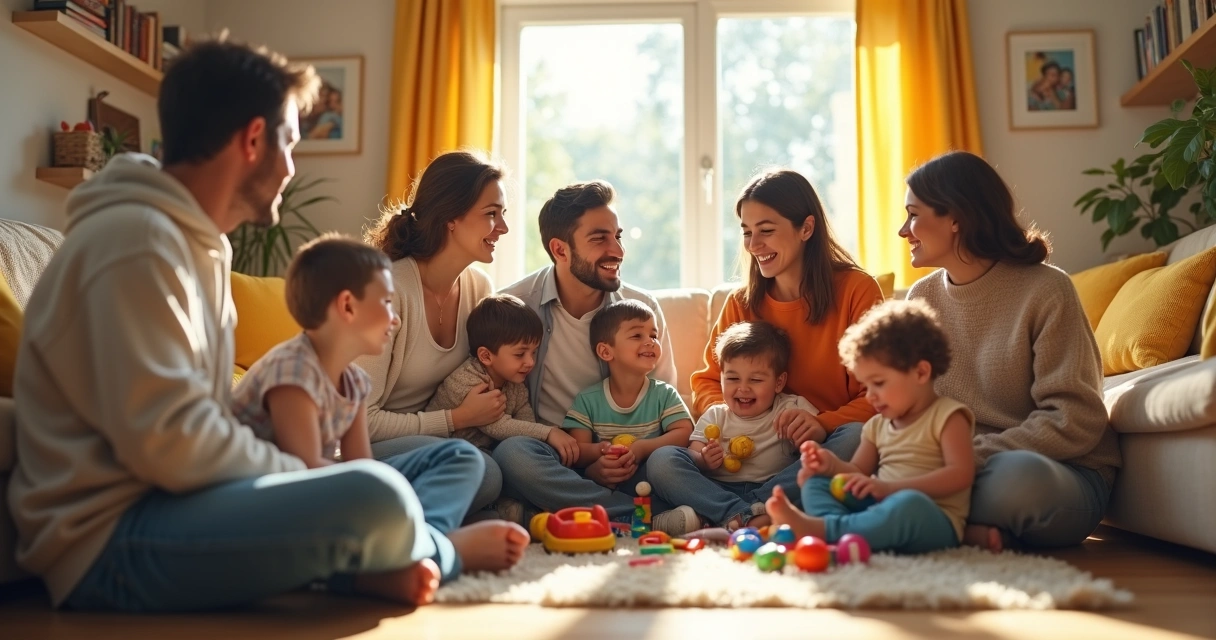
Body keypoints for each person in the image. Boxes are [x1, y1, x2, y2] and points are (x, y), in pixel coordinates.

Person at [8, 37, 525, 613]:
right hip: (111, 540)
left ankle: (379, 557)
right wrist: (308, 475)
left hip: (178, 503)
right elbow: (169, 446)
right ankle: (438, 551)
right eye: (290, 144)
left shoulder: (198, 245)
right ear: (254, 139)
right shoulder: (135, 244)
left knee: (441, 463)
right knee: (372, 494)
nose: (291, 168)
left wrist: (306, 475)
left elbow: (193, 428)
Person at [901, 150, 1120, 551]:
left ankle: (923, 519)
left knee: (1013, 480)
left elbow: (1077, 418)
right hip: (954, 469)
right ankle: (959, 529)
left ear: (956, 219)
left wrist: (968, 457)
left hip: (1055, 471)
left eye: (913, 215)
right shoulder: (921, 298)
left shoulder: (1046, 289)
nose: (904, 230)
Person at [689, 169, 884, 508]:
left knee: (854, 438)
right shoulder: (741, 303)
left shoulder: (857, 291)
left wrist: (822, 424)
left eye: (765, 231)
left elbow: (882, 392)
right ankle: (753, 509)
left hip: (822, 445)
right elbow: (707, 381)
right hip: (744, 455)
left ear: (806, 228)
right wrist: (738, 424)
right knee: (665, 460)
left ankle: (742, 509)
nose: (753, 245)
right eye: (747, 233)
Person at [493, 181, 683, 525]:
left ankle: (558, 510)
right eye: (599, 239)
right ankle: (645, 516)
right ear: (560, 249)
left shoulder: (642, 310)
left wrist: (622, 457)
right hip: (555, 457)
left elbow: (665, 400)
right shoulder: (515, 307)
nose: (618, 251)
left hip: (632, 458)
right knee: (513, 454)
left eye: (618, 236)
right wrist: (587, 463)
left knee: (668, 460)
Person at [359, 150, 512, 516]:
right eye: (491, 214)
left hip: (437, 442)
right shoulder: (390, 290)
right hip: (370, 445)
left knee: (500, 465)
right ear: (451, 219)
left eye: (502, 215)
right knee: (485, 473)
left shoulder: (479, 289)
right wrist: (456, 420)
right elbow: (361, 420)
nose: (503, 228)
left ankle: (408, 517)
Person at [767, 300, 975, 554]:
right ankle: (841, 533)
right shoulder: (877, 426)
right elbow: (856, 471)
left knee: (908, 504)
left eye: (878, 383)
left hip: (931, 518)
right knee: (815, 483)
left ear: (921, 373)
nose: (870, 396)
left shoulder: (948, 417)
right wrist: (829, 465)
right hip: (879, 507)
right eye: (866, 384)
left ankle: (827, 531)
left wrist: (890, 489)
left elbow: (961, 475)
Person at [231, 234, 397, 468]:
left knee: (455, 456)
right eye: (388, 302)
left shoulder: (356, 382)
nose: (395, 320)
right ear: (347, 305)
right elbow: (304, 470)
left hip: (315, 484)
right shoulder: (292, 370)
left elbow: (361, 465)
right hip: (259, 488)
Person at [649, 320, 824, 531]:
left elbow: (819, 444)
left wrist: (809, 436)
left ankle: (726, 517)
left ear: (779, 382)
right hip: (717, 490)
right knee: (661, 459)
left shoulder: (793, 408)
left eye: (756, 380)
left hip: (774, 488)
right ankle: (746, 514)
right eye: (732, 378)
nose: (743, 388)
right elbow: (693, 454)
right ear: (721, 378)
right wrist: (704, 459)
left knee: (845, 442)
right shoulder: (715, 415)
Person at [558, 300, 698, 534]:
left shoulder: (663, 393)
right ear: (606, 351)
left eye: (653, 335)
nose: (650, 342)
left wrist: (643, 448)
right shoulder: (588, 399)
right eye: (636, 335)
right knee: (579, 478)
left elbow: (684, 433)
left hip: (652, 478)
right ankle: (647, 519)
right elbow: (578, 449)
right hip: (607, 483)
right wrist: (598, 463)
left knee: (665, 462)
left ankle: (638, 518)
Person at [425, 294, 580, 464]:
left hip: (482, 452)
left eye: (533, 352)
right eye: (520, 354)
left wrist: (550, 434)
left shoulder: (515, 383)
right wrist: (547, 433)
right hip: (441, 451)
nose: (530, 362)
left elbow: (526, 424)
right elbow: (498, 426)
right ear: (486, 356)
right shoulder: (467, 380)